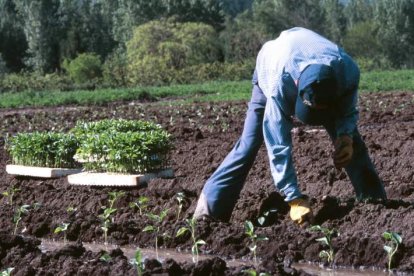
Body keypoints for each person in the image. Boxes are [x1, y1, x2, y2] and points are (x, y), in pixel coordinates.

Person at [194, 27, 387, 225]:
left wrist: (345, 136)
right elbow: (278, 145)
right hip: (270, 67)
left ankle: (377, 206)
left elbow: (347, 108)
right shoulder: (279, 85)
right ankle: (209, 210)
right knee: (249, 143)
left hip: (313, 66)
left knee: (354, 145)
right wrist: (293, 198)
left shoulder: (347, 70)